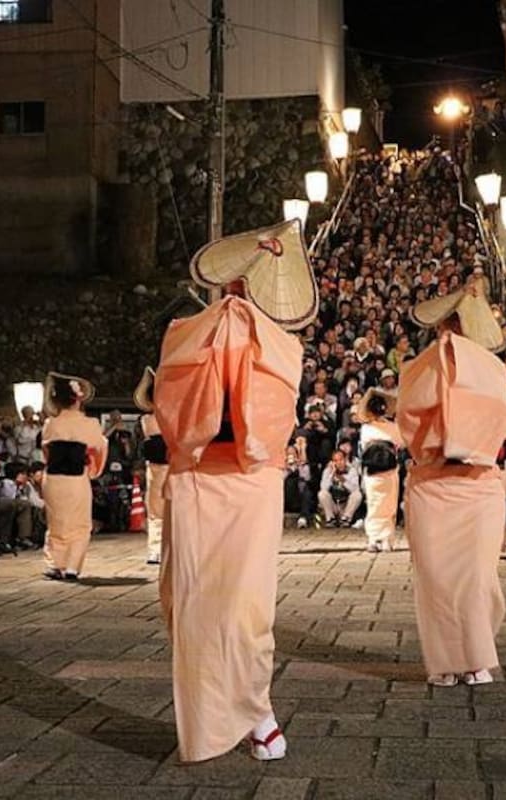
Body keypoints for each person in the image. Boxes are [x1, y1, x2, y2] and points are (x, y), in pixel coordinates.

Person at [154, 219, 310, 763]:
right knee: (188, 602)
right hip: (198, 476)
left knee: (244, 606)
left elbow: (271, 427)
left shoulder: (282, 346)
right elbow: (170, 409)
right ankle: (213, 718)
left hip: (249, 479)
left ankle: (254, 708)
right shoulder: (188, 331)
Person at [398, 285, 506, 688]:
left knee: (478, 578)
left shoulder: (492, 371)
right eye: (448, 324)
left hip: (478, 486)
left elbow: (496, 424)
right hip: (432, 485)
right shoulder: (420, 368)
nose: (450, 331)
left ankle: (476, 653)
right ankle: (446, 661)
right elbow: (409, 423)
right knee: (437, 579)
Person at [41, 372, 106, 581]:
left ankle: (55, 564)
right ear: (79, 398)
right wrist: (93, 467)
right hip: (77, 478)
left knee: (56, 521)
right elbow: (98, 449)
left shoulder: (51, 424)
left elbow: (46, 453)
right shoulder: (91, 424)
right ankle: (71, 566)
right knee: (79, 523)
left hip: (53, 478)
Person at [356, 388, 402, 552]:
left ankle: (374, 539)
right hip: (388, 470)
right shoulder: (393, 427)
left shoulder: (366, 429)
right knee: (389, 505)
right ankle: (386, 540)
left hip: (373, 471)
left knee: (374, 504)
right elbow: (401, 443)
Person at [134, 367, 168, 565]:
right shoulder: (149, 419)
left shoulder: (147, 420)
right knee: (158, 511)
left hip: (160, 469)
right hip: (159, 468)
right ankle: (157, 549)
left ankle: (156, 550)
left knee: (156, 512)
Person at [318, 449, 363, 528]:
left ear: (345, 459)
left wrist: (342, 479)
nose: (339, 463)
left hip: (345, 505)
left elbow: (354, 489)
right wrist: (332, 475)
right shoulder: (327, 471)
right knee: (322, 494)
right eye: (335, 460)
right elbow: (323, 488)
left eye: (341, 459)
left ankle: (346, 519)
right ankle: (330, 519)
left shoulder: (352, 471)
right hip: (334, 505)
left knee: (358, 495)